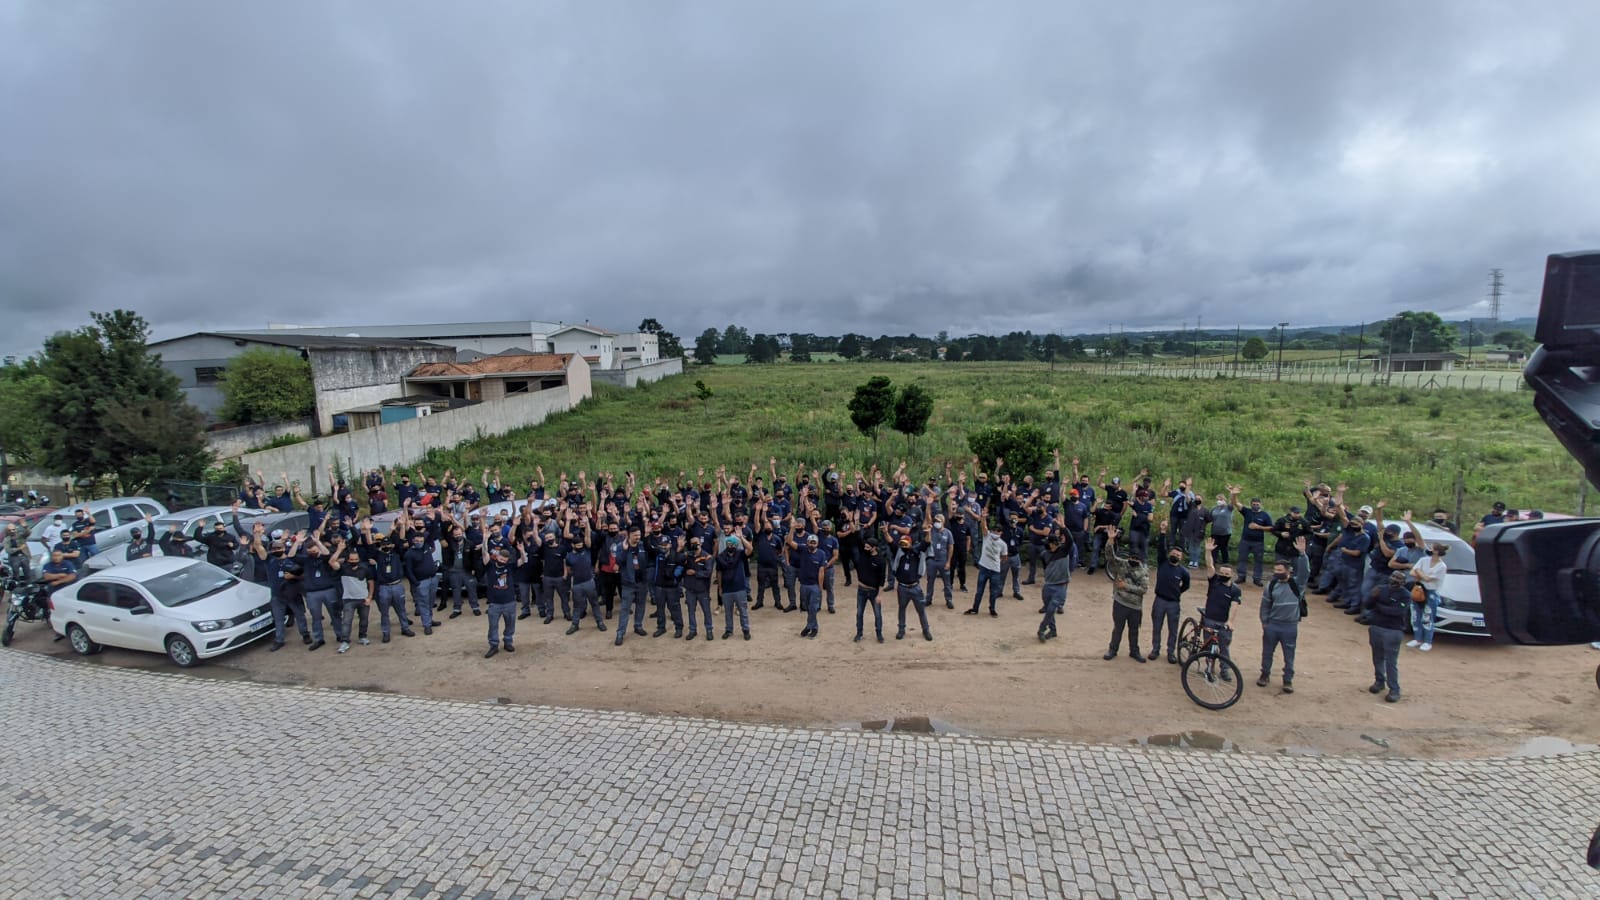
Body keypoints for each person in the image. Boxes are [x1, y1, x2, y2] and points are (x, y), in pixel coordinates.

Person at [1258, 555, 1305, 693]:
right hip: (1272, 625)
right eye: (1275, 570)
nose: (1276, 573)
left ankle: (1288, 680)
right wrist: (1264, 622)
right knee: (1267, 652)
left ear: (1288, 570)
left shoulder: (1297, 584)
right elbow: (1265, 605)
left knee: (1289, 654)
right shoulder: (1271, 585)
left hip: (1290, 626)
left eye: (1279, 570)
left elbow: (1305, 572)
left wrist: (1302, 555)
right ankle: (1265, 674)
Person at [1197, 536, 1242, 677]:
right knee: (1208, 647)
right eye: (1222, 573)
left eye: (1226, 574)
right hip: (1209, 618)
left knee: (1224, 648)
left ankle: (1225, 670)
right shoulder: (1214, 581)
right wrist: (1208, 552)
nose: (1223, 575)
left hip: (1223, 622)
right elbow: (1209, 565)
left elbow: (1235, 606)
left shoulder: (1235, 590)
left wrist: (1230, 621)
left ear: (1231, 575)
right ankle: (1209, 668)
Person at [1101, 526, 1147, 662]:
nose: (1133, 560)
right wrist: (1110, 540)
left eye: (1136, 558)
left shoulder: (1143, 572)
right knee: (1118, 629)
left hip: (1135, 606)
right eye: (1131, 557)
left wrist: (1125, 586)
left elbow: (1143, 589)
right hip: (1120, 603)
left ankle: (1134, 652)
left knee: (1134, 631)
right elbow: (1110, 556)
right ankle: (1112, 650)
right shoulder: (1122, 564)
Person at [1364, 571, 1410, 702]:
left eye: (1399, 578)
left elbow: (1396, 612)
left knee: (1391, 661)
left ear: (1403, 582)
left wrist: (1378, 605)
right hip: (1376, 627)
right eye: (1394, 576)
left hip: (1393, 631)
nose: (1395, 580)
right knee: (1377, 657)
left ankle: (1394, 689)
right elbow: (1367, 605)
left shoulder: (1405, 595)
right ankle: (1379, 681)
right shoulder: (1380, 589)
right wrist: (1372, 597)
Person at [1148, 536, 1191, 663]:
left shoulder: (1184, 572)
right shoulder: (1162, 563)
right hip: (1159, 600)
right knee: (1157, 626)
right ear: (1169, 554)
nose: (1175, 555)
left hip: (1174, 603)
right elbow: (1161, 547)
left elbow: (1186, 585)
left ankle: (1170, 652)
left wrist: (1177, 592)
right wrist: (1162, 532)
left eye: (1178, 555)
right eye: (1173, 553)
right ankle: (1155, 649)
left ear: (1181, 557)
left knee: (1173, 629)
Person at [329, 542, 372, 653]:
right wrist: (339, 550)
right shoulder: (343, 568)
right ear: (348, 560)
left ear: (359, 559)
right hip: (348, 599)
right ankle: (345, 641)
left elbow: (371, 582)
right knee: (347, 621)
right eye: (351, 559)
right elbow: (331, 562)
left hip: (363, 598)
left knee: (364, 620)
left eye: (355, 559)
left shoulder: (365, 568)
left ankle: (362, 637)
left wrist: (370, 597)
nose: (353, 561)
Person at [891, 530, 934, 642]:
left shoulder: (916, 551)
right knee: (901, 609)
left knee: (921, 610)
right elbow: (890, 542)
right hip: (902, 587)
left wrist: (928, 533)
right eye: (902, 543)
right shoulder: (899, 552)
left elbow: (926, 543)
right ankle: (901, 629)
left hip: (915, 587)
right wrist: (886, 532)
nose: (903, 545)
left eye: (905, 543)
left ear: (910, 543)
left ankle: (926, 630)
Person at [1408, 541, 1449, 653]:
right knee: (1415, 615)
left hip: (1431, 592)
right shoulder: (1423, 560)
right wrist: (1420, 574)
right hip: (1419, 589)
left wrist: (1419, 572)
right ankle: (1418, 638)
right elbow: (1413, 572)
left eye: (1432, 548)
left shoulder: (1441, 566)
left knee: (1428, 617)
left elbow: (1428, 579)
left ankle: (1427, 641)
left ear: (1436, 551)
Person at [790, 528, 830, 639]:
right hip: (803, 585)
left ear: (817, 544)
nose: (812, 544)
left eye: (814, 542)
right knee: (807, 608)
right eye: (810, 542)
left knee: (813, 608)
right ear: (807, 542)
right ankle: (810, 626)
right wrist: (791, 530)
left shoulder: (821, 554)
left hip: (814, 586)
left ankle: (812, 627)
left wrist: (820, 588)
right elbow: (789, 542)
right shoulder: (802, 549)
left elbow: (821, 571)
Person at [481, 543, 518, 657]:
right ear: (497, 557)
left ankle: (508, 642)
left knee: (510, 624)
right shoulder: (490, 565)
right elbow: (484, 553)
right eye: (501, 559)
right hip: (494, 603)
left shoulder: (510, 566)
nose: (502, 561)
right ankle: (493, 646)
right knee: (493, 625)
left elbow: (522, 561)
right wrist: (485, 540)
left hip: (509, 602)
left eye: (505, 560)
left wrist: (521, 551)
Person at [1037, 534, 1075, 642]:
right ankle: (1053, 631)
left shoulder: (1064, 551)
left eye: (1047, 542)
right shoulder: (1044, 554)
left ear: (1053, 544)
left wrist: (1063, 528)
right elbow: (1046, 568)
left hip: (1061, 586)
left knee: (1051, 609)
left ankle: (1041, 629)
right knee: (1049, 608)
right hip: (1048, 584)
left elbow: (1070, 540)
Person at [714, 534, 752, 641]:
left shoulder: (740, 554)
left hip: (740, 587)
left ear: (736, 544)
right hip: (726, 589)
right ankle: (729, 630)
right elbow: (719, 573)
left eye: (732, 543)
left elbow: (750, 549)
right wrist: (720, 587)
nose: (730, 545)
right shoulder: (721, 556)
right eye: (728, 543)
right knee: (728, 612)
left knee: (743, 611)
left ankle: (746, 630)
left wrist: (741, 538)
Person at [971, 503, 1006, 615]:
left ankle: (992, 608)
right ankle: (975, 608)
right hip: (984, 568)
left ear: (1001, 533)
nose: (995, 533)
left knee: (993, 591)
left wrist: (998, 560)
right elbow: (983, 527)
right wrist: (983, 517)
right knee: (979, 591)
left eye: (998, 531)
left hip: (995, 570)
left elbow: (1004, 556)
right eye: (994, 531)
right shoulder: (987, 536)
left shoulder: (1002, 544)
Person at [853, 538, 888, 643]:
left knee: (877, 614)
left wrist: (879, 595)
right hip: (861, 591)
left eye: (868, 547)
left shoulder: (881, 561)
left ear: (874, 548)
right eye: (865, 546)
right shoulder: (863, 554)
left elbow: (882, 579)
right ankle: (859, 633)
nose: (865, 548)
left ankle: (879, 634)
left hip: (874, 592)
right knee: (859, 613)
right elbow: (857, 536)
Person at [1233, 490, 1271, 586]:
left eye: (1257, 504)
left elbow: (1271, 528)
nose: (1255, 506)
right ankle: (1241, 576)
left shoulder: (1265, 515)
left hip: (1258, 542)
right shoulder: (1247, 512)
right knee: (1242, 559)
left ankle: (1257, 579)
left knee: (1258, 561)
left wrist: (1259, 527)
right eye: (1254, 504)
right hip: (1245, 540)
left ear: (1260, 504)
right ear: (1251, 504)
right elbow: (1235, 503)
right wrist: (1234, 494)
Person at [681, 536, 714, 641]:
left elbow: (708, 573)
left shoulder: (707, 556)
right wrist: (680, 548)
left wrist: (695, 573)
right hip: (690, 589)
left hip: (702, 590)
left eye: (696, 542)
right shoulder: (687, 555)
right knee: (691, 611)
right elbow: (678, 561)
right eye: (692, 543)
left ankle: (709, 630)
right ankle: (692, 630)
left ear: (701, 543)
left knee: (706, 611)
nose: (694, 545)